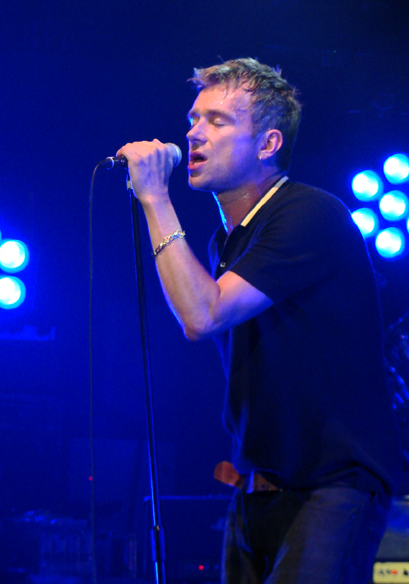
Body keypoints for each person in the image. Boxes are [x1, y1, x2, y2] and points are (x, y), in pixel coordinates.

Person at [116, 58, 403, 583]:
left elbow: (203, 314)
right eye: (194, 118)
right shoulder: (225, 241)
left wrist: (154, 197)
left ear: (268, 144)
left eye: (218, 120)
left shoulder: (310, 214)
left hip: (332, 488)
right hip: (256, 491)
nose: (194, 133)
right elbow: (200, 317)